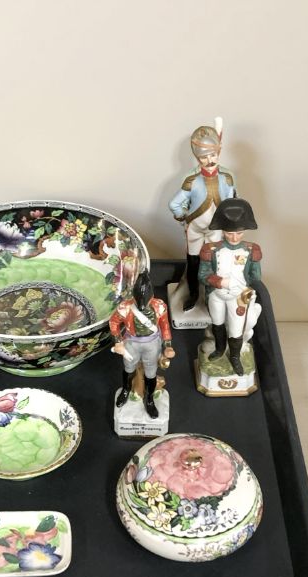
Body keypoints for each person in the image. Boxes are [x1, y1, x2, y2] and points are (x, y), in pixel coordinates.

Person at [169, 118, 236, 311]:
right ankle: (193, 295)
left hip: (215, 229)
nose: (210, 160)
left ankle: (210, 296)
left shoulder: (227, 178)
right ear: (197, 158)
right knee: (193, 263)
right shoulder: (192, 180)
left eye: (213, 155)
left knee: (214, 264)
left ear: (218, 152)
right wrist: (183, 217)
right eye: (204, 157)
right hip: (195, 229)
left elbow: (232, 203)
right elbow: (174, 204)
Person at [198, 198, 262, 376]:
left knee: (236, 329)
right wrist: (220, 282)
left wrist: (246, 289)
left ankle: (234, 357)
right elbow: (202, 275)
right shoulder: (210, 249)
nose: (234, 237)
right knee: (217, 323)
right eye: (229, 233)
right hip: (217, 294)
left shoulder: (251, 250)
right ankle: (219, 348)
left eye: (239, 233)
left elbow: (256, 277)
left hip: (238, 296)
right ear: (222, 231)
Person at [109, 270, 175, 418]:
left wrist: (168, 345)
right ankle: (126, 390)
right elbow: (114, 322)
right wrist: (118, 342)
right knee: (128, 368)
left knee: (151, 372)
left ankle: (149, 398)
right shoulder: (125, 307)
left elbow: (165, 326)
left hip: (152, 343)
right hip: (132, 342)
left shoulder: (159, 306)